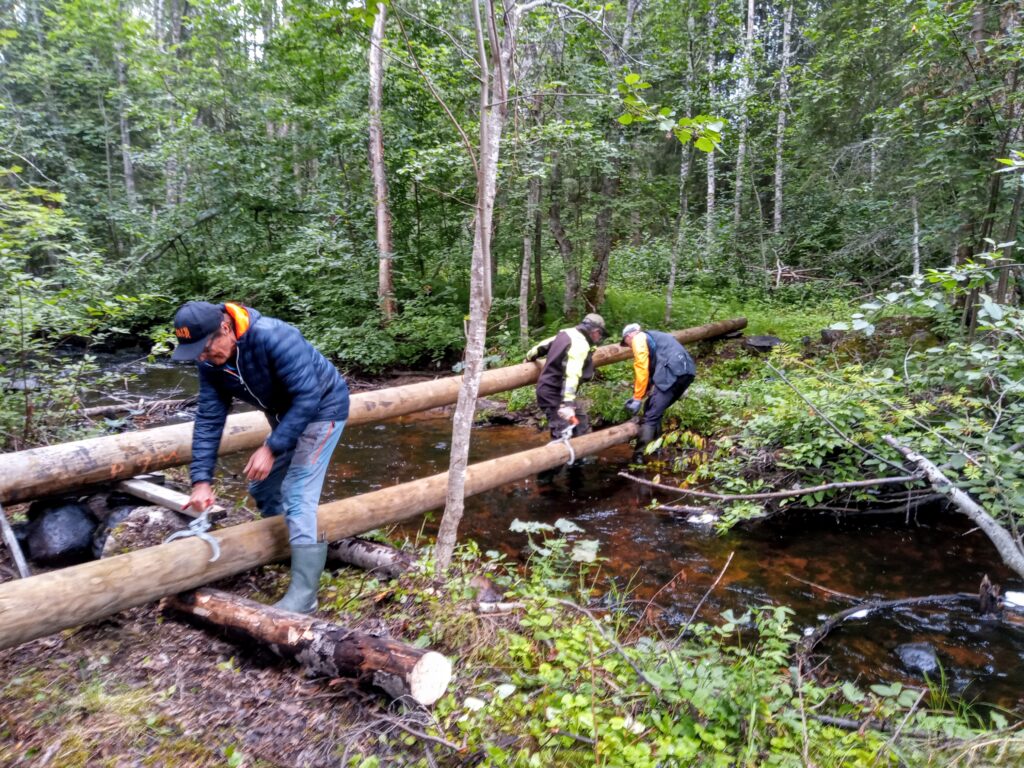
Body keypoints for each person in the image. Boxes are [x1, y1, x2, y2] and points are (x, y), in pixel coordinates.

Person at [172, 300, 349, 614]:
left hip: (323, 409)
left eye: (205, 348)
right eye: (196, 352)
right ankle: (292, 550)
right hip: (284, 416)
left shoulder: (273, 336)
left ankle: (305, 596)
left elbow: (307, 397)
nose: (202, 357)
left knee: (297, 492)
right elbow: (210, 419)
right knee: (263, 488)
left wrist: (270, 447)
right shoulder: (210, 364)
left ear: (225, 328)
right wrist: (200, 480)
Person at [620, 322, 696, 461]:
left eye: (627, 343)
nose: (630, 347)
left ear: (630, 335)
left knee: (650, 416)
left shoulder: (638, 338)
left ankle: (639, 456)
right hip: (687, 372)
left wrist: (637, 399)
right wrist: (639, 395)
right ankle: (657, 450)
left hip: (671, 372)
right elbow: (651, 374)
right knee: (653, 407)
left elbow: (642, 367)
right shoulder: (657, 339)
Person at [525, 313, 608, 439]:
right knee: (562, 433)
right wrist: (568, 404)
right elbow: (572, 374)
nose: (599, 338)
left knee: (580, 424)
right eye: (600, 334)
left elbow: (541, 346)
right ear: (595, 331)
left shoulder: (567, 332)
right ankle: (561, 457)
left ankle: (581, 456)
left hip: (555, 390)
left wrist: (530, 356)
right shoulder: (580, 344)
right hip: (553, 392)